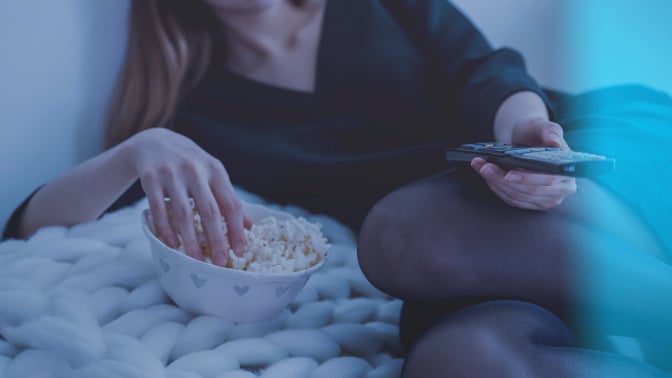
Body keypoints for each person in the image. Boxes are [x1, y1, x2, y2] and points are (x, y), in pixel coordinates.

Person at [3, 0, 671, 376]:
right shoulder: (199, 110)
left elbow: (487, 71)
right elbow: (29, 230)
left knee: (401, 233)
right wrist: (137, 149)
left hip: (577, 154)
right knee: (457, 361)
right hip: (455, 263)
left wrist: (528, 132)